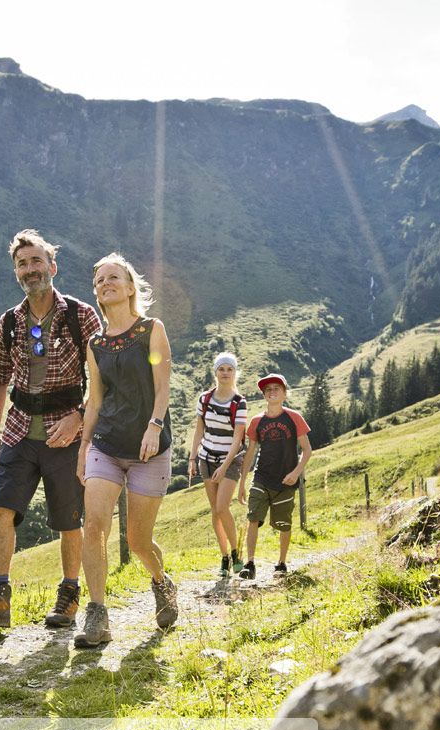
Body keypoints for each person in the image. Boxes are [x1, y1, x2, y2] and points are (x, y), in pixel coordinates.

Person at [0, 229, 103, 629]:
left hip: (67, 434)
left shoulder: (80, 315)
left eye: (36, 261)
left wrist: (80, 417)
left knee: (69, 519)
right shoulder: (9, 322)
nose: (29, 269)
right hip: (19, 432)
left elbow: (103, 376)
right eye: (22, 264)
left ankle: (69, 598)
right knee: (2, 511)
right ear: (16, 273)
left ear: (52, 267)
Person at [74, 252, 177, 648]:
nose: (105, 283)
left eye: (113, 277)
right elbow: (95, 401)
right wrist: (84, 445)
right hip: (106, 444)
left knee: (137, 541)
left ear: (131, 287)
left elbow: (163, 385)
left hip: (150, 448)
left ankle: (160, 581)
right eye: (99, 280)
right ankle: (97, 616)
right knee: (94, 525)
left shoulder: (151, 330)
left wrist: (154, 426)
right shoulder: (96, 344)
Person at [238, 373, 313, 580]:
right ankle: (250, 563)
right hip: (261, 478)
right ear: (264, 395)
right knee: (253, 518)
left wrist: (295, 473)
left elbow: (307, 450)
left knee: (283, 524)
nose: (272, 392)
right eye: (267, 390)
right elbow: (250, 453)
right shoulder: (257, 421)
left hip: (286, 481)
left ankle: (281, 564)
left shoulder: (293, 417)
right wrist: (242, 482)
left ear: (284, 393)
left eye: (276, 389)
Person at [188, 352, 250, 577]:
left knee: (223, 507)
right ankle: (224, 557)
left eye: (229, 369)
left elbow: (237, 439)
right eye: (221, 369)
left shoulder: (239, 403)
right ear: (215, 372)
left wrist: (224, 466)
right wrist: (192, 458)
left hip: (230, 460)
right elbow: (198, 430)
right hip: (206, 458)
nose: (225, 373)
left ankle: (236, 553)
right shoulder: (204, 399)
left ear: (235, 373)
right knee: (215, 511)